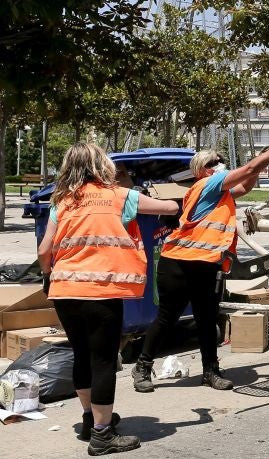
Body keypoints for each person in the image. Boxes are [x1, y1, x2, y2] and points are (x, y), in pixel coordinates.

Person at [131, 131, 269, 393]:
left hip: (204, 265)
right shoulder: (207, 185)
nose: (218, 165)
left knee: (206, 318)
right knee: (167, 317)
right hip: (178, 263)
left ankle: (211, 372)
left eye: (219, 161)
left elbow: (245, 185)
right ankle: (142, 367)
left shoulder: (219, 191)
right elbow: (250, 168)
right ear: (201, 170)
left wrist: (254, 170)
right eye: (212, 163)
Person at [38, 142, 179, 456]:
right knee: (103, 360)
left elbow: (44, 250)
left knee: (81, 355)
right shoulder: (119, 196)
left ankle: (90, 419)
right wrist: (174, 200)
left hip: (65, 291)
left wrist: (51, 275)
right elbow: (169, 210)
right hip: (100, 292)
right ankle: (102, 435)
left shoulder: (61, 201)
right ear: (102, 166)